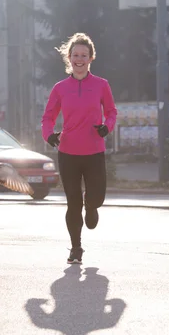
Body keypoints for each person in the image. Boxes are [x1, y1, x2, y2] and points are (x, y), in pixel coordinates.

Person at [41, 32, 117, 264]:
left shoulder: (101, 85)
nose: (79, 59)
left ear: (91, 58)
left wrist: (107, 127)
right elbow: (48, 117)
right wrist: (49, 135)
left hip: (94, 151)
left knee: (96, 198)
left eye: (84, 55)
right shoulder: (60, 88)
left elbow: (112, 111)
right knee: (72, 202)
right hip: (68, 153)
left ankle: (92, 206)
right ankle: (76, 248)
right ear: (69, 58)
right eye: (75, 55)